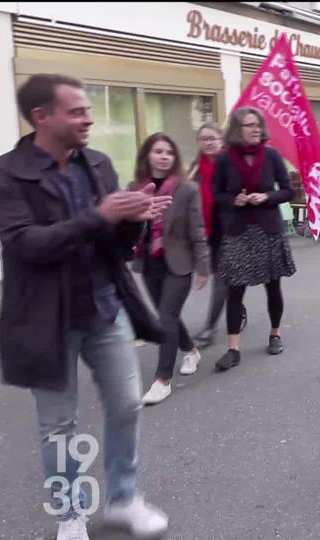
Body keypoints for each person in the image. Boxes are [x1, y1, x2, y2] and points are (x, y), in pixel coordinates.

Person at [0, 74, 171, 540]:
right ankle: (69, 515)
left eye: (87, 110)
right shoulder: (8, 172)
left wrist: (133, 222)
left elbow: (115, 247)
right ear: (42, 117)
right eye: (76, 111)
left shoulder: (95, 163)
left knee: (127, 404)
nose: (89, 118)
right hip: (44, 318)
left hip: (104, 306)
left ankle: (123, 500)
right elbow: (23, 245)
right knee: (59, 425)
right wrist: (101, 215)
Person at [212, 107, 296, 372]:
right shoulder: (224, 159)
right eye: (249, 125)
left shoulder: (271, 155)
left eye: (258, 124)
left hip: (268, 230)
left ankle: (275, 334)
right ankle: (233, 348)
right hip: (237, 232)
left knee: (273, 287)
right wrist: (233, 200)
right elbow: (216, 194)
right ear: (237, 129)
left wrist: (267, 197)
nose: (255, 129)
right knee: (235, 291)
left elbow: (288, 190)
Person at [132, 133, 210, 405]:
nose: (164, 156)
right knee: (169, 315)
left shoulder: (186, 189)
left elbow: (197, 228)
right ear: (147, 156)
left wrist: (203, 266)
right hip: (149, 261)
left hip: (179, 263)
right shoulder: (135, 187)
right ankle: (190, 350)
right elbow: (128, 226)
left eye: (169, 152)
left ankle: (162, 379)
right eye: (158, 151)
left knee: (165, 316)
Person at [189, 122, 234, 349]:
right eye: (203, 139)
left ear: (222, 141)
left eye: (211, 138)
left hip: (228, 227)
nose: (207, 142)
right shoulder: (196, 167)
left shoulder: (230, 163)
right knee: (223, 277)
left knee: (222, 278)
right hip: (205, 229)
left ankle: (210, 326)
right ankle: (234, 305)